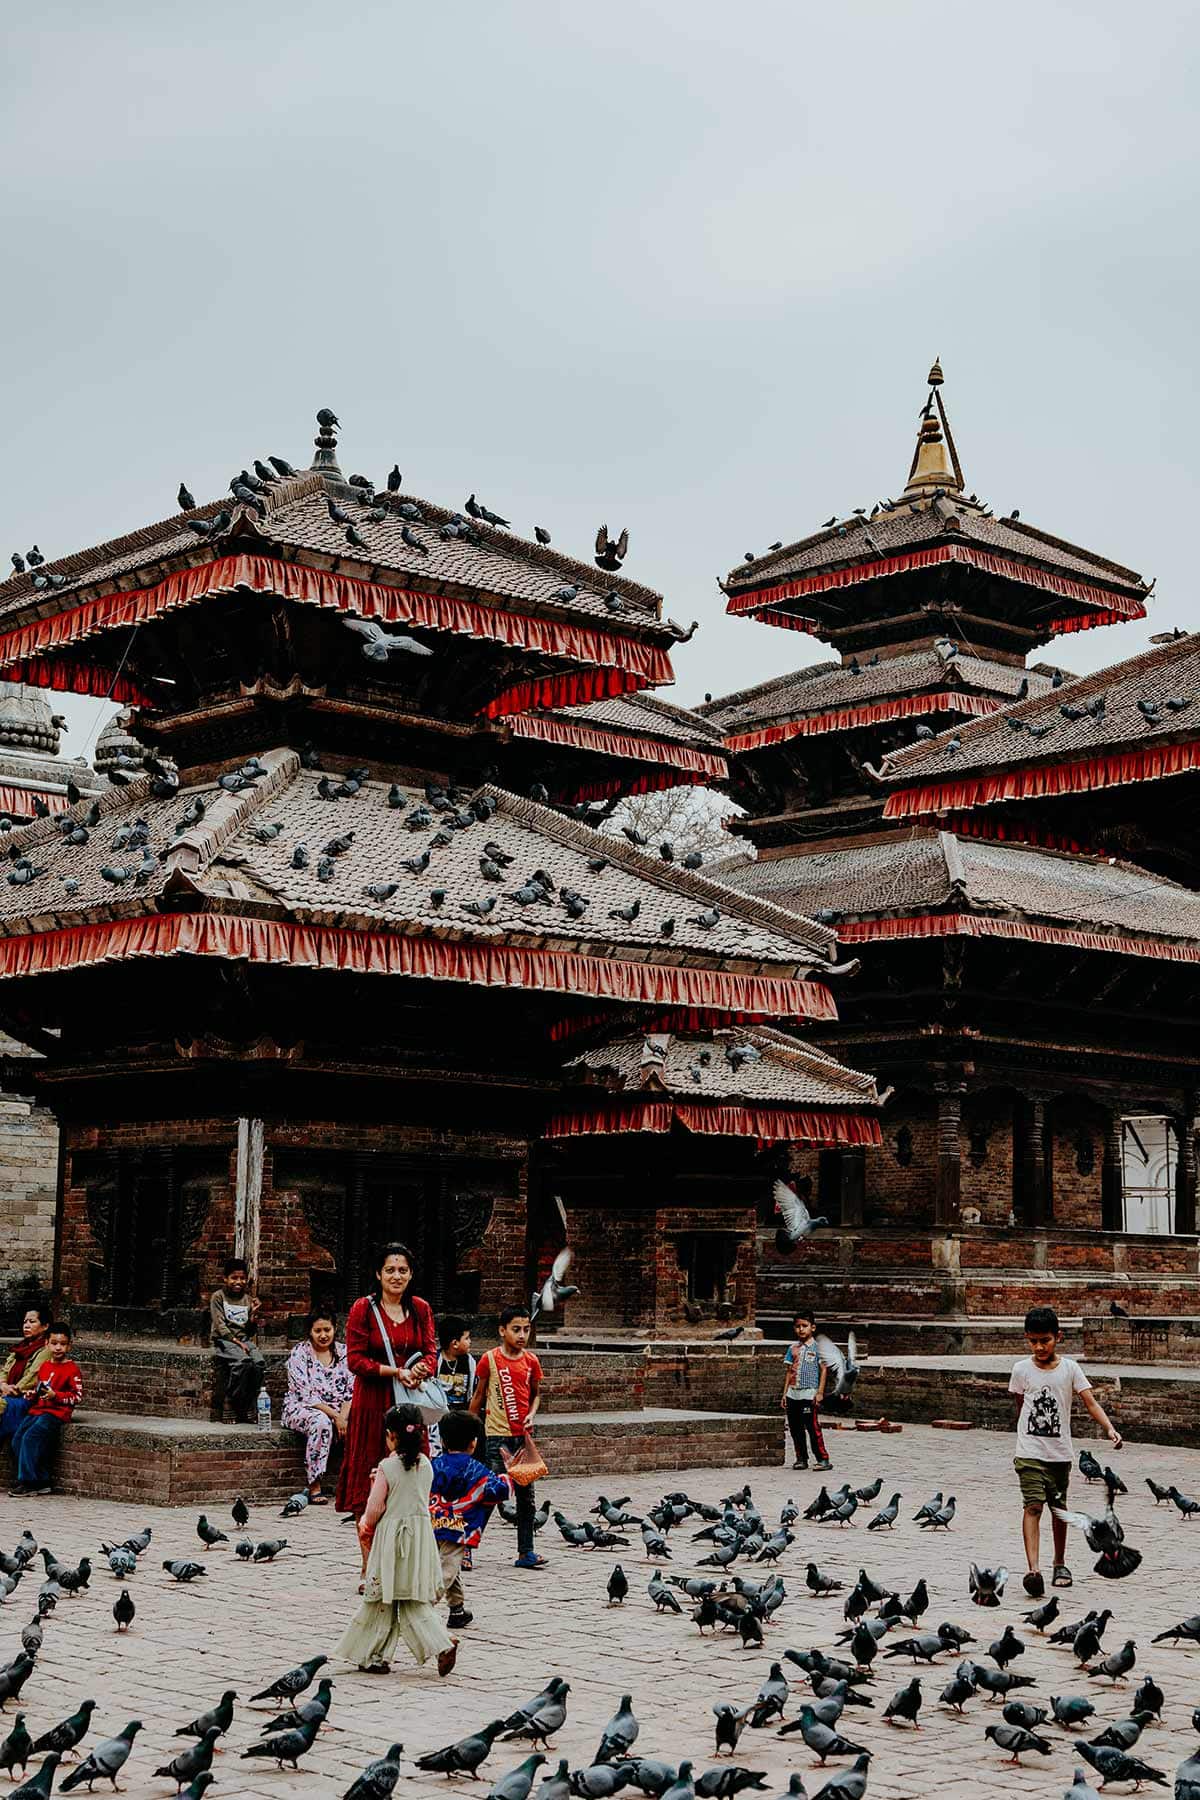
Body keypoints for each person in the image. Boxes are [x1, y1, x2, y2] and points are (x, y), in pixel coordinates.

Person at [335, 1402, 458, 1678]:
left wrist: (365, 1525)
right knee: (413, 1600)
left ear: (391, 1435)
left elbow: (376, 1508)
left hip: (393, 1542)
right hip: (419, 1540)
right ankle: (441, 1642)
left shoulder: (387, 1467)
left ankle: (373, 1654)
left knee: (380, 1599)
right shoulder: (425, 1464)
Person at [1010, 1303, 1122, 1598]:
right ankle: (1033, 1570)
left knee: (1058, 1510)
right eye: (1033, 1341)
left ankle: (1059, 1563)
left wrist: (1109, 1428)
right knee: (1033, 1506)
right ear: (1026, 1338)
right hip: (1029, 1452)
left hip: (1060, 1454)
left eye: (1044, 1340)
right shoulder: (1020, 1370)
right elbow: (1021, 1406)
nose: (1038, 1347)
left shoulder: (1070, 1369)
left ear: (1058, 1336)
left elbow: (1090, 1402)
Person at [336, 1243, 437, 1519]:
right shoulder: (363, 1309)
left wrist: (420, 1370)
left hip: (409, 1401)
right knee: (369, 1474)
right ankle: (369, 1556)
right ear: (378, 1274)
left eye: (403, 1270)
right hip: (373, 1402)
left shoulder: (420, 1308)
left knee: (411, 1469)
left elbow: (431, 1352)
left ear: (411, 1274)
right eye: (390, 1270)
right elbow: (355, 1360)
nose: (396, 1276)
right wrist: (395, 1372)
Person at [470, 1306, 545, 1571]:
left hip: (522, 1439)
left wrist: (532, 1414)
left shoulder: (531, 1361)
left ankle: (526, 1551)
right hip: (497, 1437)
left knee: (526, 1498)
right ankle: (466, 1547)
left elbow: (536, 1394)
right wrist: (469, 1427)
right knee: (491, 1494)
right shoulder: (489, 1360)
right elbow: (478, 1396)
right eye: (516, 1329)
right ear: (502, 1331)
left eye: (526, 1329)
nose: (522, 1335)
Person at [429, 1408, 512, 1630]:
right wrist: (509, 1474)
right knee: (446, 1568)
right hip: (459, 1527)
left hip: (433, 1521)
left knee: (449, 1565)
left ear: (443, 1441)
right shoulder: (477, 1469)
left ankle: (457, 1610)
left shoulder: (434, 1464)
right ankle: (422, 1605)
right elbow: (499, 1491)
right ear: (473, 1443)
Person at [282, 1310, 355, 1502]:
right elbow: (305, 1394)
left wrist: (343, 1417)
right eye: (318, 1331)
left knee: (366, 1421)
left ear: (335, 1329)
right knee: (321, 1422)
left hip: (341, 1410)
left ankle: (354, 1484)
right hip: (304, 1408)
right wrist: (336, 1417)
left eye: (327, 1330)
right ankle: (314, 1485)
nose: (323, 1335)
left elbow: (351, 1389)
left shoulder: (344, 1352)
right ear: (310, 1332)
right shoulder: (300, 1353)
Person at [9, 1322, 83, 1497]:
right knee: (17, 1438)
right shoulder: (45, 1366)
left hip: (56, 1413)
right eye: (54, 1343)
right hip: (39, 1410)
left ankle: (29, 1482)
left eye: (63, 1344)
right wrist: (32, 1394)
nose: (58, 1348)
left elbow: (77, 1396)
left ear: (69, 1346)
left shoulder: (72, 1369)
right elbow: (40, 1389)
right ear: (47, 1344)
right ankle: (40, 1479)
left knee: (30, 1438)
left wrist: (55, 1395)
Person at [209, 1256, 267, 1424]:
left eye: (242, 1278)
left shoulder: (248, 1300)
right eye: (234, 1278)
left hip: (243, 1340)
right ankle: (230, 1401)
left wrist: (254, 1315)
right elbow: (220, 1326)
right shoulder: (218, 1297)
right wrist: (237, 1342)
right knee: (242, 1362)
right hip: (225, 1340)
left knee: (258, 1363)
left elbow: (249, 1330)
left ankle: (248, 1403)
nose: (238, 1282)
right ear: (225, 1278)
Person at [781, 1307, 832, 1472]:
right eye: (798, 1326)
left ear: (813, 1327)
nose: (801, 1329)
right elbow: (789, 1372)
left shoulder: (818, 1349)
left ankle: (823, 1459)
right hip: (792, 1393)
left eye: (804, 1326)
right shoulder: (792, 1349)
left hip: (809, 1393)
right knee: (795, 1428)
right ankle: (801, 1458)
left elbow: (824, 1370)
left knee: (812, 1427)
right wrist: (784, 1394)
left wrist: (819, 1392)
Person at [0, 1301, 53, 1446]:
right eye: (24, 1322)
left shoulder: (46, 1350)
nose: (26, 1325)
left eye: (32, 1321)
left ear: (45, 1326)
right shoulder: (20, 1347)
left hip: (25, 1397)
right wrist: (3, 1385)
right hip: (7, 1393)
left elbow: (32, 1377)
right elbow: (5, 1370)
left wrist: (10, 1390)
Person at [428, 1316, 476, 1458]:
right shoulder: (435, 1361)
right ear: (454, 1343)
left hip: (460, 1417)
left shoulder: (469, 1362)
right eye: (466, 1338)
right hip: (438, 1419)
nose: (470, 1342)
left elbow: (472, 1391)